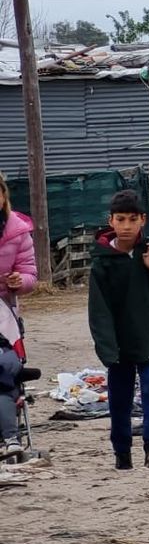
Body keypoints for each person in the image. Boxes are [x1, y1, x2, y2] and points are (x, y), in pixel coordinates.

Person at [88, 190, 149, 471]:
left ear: (142, 220)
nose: (126, 225)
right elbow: (99, 311)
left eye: (132, 219)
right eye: (120, 219)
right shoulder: (103, 262)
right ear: (111, 221)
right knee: (120, 400)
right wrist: (106, 347)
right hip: (119, 345)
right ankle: (122, 452)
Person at [0, 178, 37, 457]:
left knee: (5, 371)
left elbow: (30, 275)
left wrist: (18, 281)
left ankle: (10, 439)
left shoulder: (17, 232)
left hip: (4, 319)